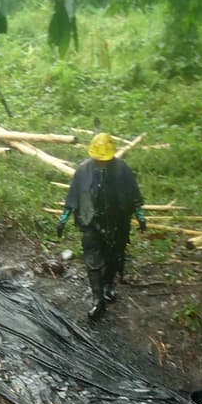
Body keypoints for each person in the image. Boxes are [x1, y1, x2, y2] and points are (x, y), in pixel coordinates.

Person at [57, 132, 146, 320]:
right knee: (92, 258)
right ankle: (98, 300)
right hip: (91, 220)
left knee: (115, 255)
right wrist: (64, 218)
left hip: (118, 220)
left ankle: (108, 285)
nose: (103, 163)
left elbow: (133, 193)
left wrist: (140, 214)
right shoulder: (83, 170)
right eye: (99, 160)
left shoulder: (122, 169)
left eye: (106, 160)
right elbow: (73, 195)